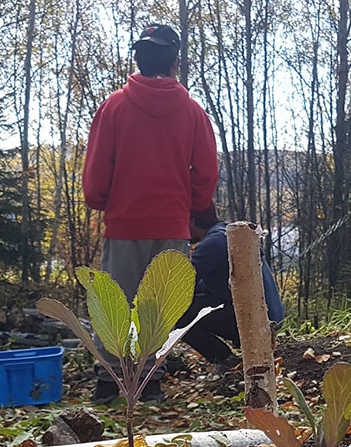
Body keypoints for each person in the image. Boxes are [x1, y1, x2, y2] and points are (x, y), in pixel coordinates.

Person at [82, 23, 218, 404]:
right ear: (175, 61)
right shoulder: (193, 113)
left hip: (124, 225)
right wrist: (190, 207)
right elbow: (206, 174)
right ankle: (150, 384)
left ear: (138, 60)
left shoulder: (113, 108)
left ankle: (111, 385)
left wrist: (104, 201)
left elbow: (95, 179)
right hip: (172, 225)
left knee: (117, 305)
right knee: (161, 305)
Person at [177, 205, 284, 370]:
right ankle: (232, 358)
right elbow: (203, 288)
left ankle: (226, 360)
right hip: (272, 315)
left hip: (256, 320)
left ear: (192, 221)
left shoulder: (212, 244)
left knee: (175, 313)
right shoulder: (228, 234)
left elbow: (180, 287)